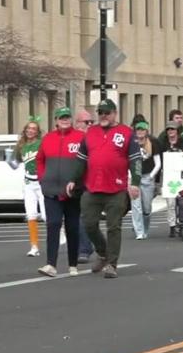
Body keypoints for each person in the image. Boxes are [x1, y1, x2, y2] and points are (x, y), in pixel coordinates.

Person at [68, 99, 141, 279]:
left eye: (107, 112)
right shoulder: (91, 133)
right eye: (100, 112)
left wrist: (135, 182)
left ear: (114, 113)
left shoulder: (126, 133)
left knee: (113, 226)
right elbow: (81, 159)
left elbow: (135, 159)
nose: (103, 116)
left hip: (116, 188)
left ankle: (112, 264)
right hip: (92, 186)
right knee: (89, 223)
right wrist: (73, 179)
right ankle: (103, 252)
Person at [36, 107, 85, 277]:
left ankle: (73, 264)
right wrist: (42, 178)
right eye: (61, 117)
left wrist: (80, 183)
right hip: (51, 191)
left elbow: (85, 162)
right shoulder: (48, 138)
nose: (65, 120)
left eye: (67, 117)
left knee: (72, 227)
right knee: (53, 224)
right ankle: (51, 264)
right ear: (56, 120)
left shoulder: (80, 138)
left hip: (73, 192)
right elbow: (40, 160)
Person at [5, 117, 45, 257]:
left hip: (41, 183)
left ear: (37, 132)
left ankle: (60, 231)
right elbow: (16, 166)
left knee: (46, 215)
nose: (30, 131)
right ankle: (34, 246)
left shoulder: (42, 144)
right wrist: (9, 160)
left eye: (33, 129)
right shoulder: (21, 146)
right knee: (31, 214)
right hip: (28, 183)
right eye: (28, 128)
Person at [159, 121, 183, 237]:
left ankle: (182, 222)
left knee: (182, 201)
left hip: (181, 176)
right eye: (168, 130)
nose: (170, 131)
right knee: (170, 202)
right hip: (168, 176)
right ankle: (172, 226)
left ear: (177, 131)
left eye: (173, 129)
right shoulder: (162, 144)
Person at [130, 121, 160, 240]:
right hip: (135, 178)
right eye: (138, 129)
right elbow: (128, 161)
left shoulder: (152, 143)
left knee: (146, 208)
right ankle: (139, 232)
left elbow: (158, 163)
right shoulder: (132, 144)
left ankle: (145, 228)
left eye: (142, 130)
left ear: (146, 131)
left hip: (148, 177)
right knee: (136, 206)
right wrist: (130, 176)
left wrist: (152, 176)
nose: (140, 132)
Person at [73, 109, 94, 263]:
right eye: (87, 122)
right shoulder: (72, 138)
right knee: (74, 217)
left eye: (92, 122)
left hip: (89, 182)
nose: (90, 125)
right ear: (78, 123)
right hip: (73, 182)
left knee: (84, 217)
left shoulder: (93, 138)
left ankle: (84, 249)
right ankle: (83, 246)